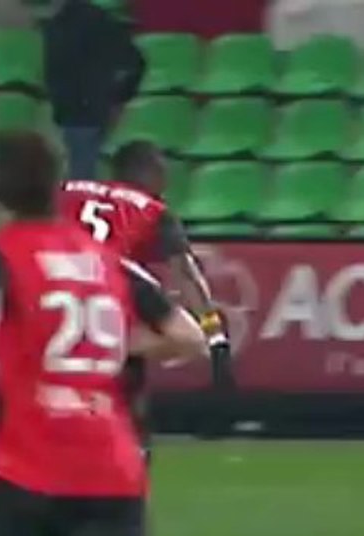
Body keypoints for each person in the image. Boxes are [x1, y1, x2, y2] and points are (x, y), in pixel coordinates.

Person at [0, 129, 226, 536]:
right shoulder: (107, 263)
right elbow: (187, 337)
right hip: (107, 472)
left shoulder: (5, 255)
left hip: (21, 465)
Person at [57, 140, 234, 452]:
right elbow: (187, 275)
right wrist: (216, 336)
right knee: (183, 343)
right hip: (112, 284)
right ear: (150, 173)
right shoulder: (152, 210)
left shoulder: (67, 189)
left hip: (58, 281)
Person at [40, 0, 145, 179]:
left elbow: (134, 61)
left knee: (81, 174)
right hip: (75, 111)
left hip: (83, 112)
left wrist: (119, 96)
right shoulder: (59, 23)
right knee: (79, 170)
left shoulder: (88, 21)